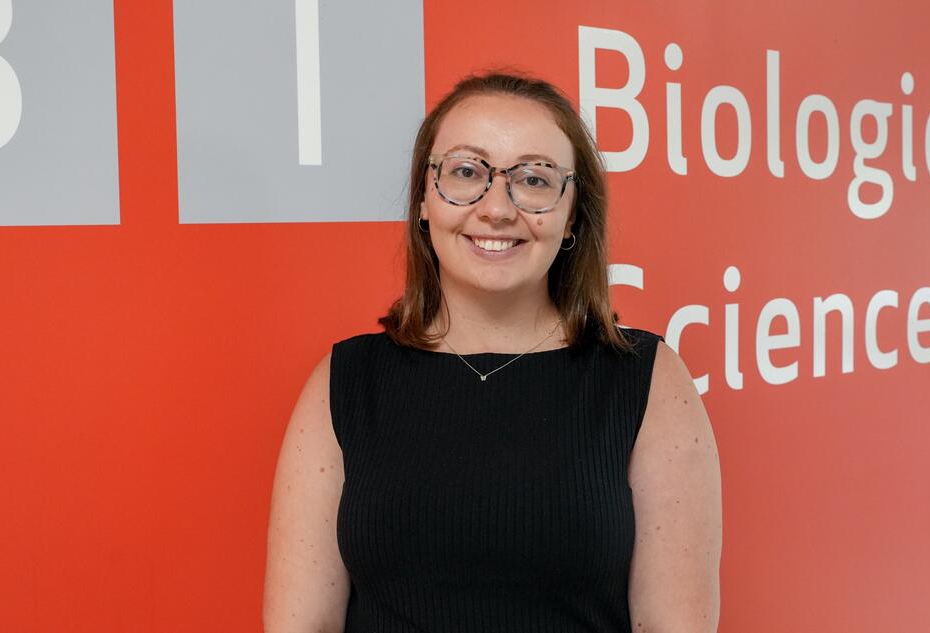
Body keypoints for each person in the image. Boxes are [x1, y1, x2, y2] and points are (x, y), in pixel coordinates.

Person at [263, 72, 722, 632]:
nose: (498, 208)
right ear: (424, 201)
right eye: (465, 171)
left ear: (573, 213)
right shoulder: (345, 381)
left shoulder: (648, 381)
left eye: (534, 179)